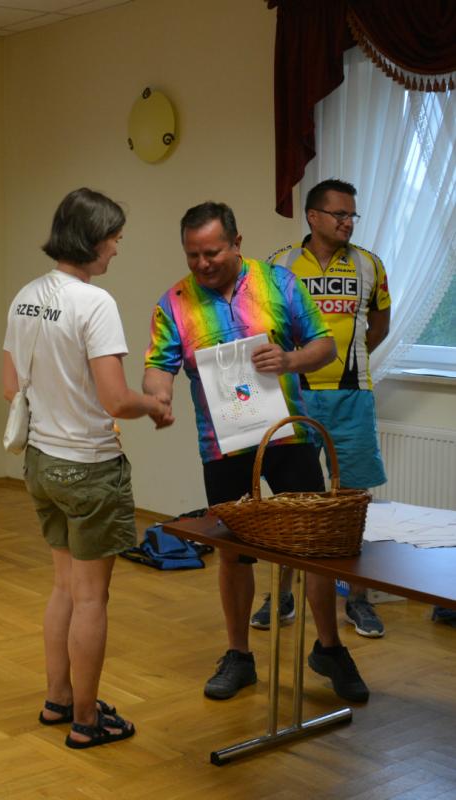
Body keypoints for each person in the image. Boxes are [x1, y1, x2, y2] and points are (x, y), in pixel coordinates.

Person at [143, 201, 370, 703]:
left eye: (212, 252)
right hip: (222, 447)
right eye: (193, 255)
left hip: (290, 437)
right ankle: (239, 656)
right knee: (233, 553)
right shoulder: (173, 303)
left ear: (237, 243)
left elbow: (325, 346)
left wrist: (289, 359)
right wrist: (157, 397)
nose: (202, 264)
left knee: (315, 547)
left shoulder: (278, 283)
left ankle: (329, 648)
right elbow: (158, 365)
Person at [3, 188, 172, 750]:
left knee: (63, 588)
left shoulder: (26, 297)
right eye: (115, 238)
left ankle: (58, 699)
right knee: (92, 598)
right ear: (93, 239)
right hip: (91, 468)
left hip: (42, 463)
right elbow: (117, 401)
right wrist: (155, 404)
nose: (118, 249)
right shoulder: (94, 304)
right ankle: (85, 720)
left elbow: (9, 387)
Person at [259, 179, 391, 638]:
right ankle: (282, 594)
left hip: (351, 396)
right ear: (313, 216)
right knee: (293, 501)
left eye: (352, 214)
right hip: (294, 396)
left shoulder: (369, 264)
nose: (348, 222)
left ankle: (357, 599)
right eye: (339, 213)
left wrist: (348, 359)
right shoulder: (279, 265)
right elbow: (266, 326)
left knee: (351, 503)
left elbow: (379, 324)